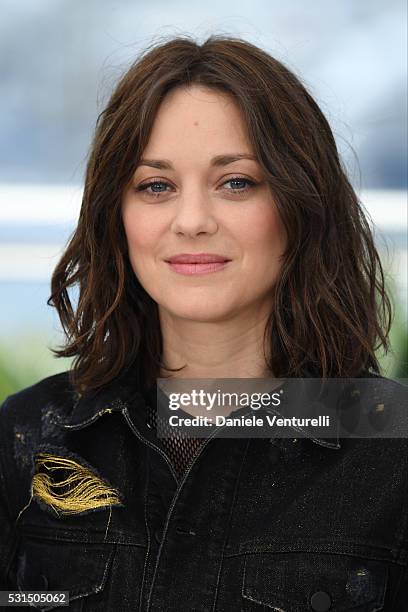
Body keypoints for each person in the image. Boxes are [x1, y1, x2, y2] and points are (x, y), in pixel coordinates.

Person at [0, 35, 406, 611]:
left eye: (236, 182)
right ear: (116, 216)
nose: (191, 220)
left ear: (301, 205)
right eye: (155, 186)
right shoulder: (27, 436)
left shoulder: (393, 446)